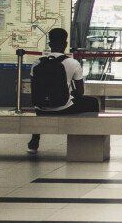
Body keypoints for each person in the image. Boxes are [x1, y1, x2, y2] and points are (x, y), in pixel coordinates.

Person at [28, 26, 101, 154]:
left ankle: (35, 139)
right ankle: (86, 139)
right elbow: (80, 92)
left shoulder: (37, 63)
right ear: (65, 44)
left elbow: (34, 87)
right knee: (93, 102)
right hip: (63, 108)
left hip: (41, 108)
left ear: (50, 44)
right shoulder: (73, 63)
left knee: (43, 102)